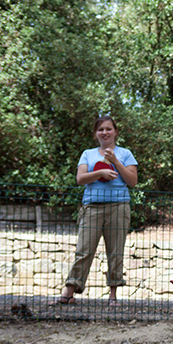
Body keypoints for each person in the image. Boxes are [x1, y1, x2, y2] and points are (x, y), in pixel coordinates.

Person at [53, 116, 138, 305]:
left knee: (115, 252)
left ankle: (113, 296)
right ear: (95, 134)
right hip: (91, 207)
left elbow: (132, 181)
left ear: (115, 132)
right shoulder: (88, 154)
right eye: (101, 129)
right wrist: (100, 173)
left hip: (119, 207)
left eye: (108, 129)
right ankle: (69, 292)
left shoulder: (125, 154)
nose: (105, 132)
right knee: (84, 250)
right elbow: (80, 179)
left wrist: (115, 161)